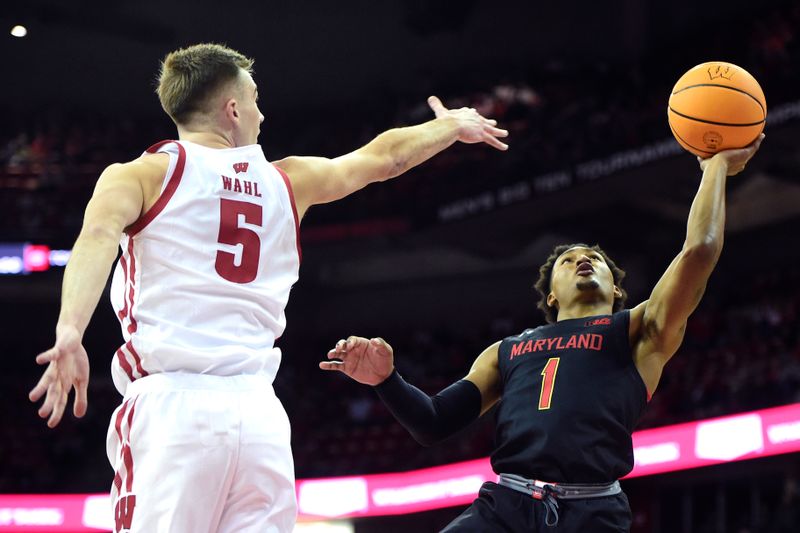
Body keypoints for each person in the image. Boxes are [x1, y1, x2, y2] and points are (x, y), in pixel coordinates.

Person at [27, 43, 508, 533]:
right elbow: (384, 159)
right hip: (260, 417)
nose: (262, 112)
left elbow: (97, 238)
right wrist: (450, 126)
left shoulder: (143, 174)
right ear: (232, 109)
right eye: (255, 98)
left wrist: (71, 330)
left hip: (174, 409)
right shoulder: (288, 180)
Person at [321, 135, 764, 531]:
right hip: (506, 507)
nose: (584, 259)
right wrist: (387, 381)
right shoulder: (508, 350)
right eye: (568, 261)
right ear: (551, 295)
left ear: (616, 288)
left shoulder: (638, 329)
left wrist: (716, 168)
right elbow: (434, 423)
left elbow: (700, 250)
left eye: (596, 258)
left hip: (592, 512)